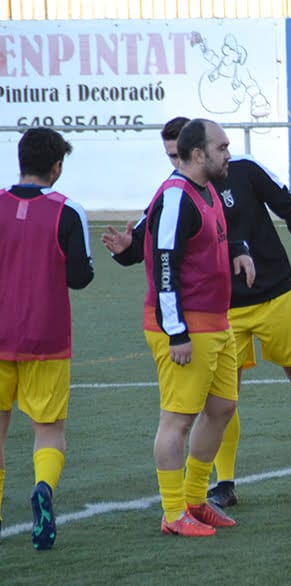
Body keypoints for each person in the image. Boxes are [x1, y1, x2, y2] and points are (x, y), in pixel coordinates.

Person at [102, 117, 291, 509]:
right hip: (220, 312)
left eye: (178, 154)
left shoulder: (243, 171)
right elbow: (150, 243)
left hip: (274, 294)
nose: (174, 163)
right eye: (169, 157)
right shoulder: (179, 191)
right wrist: (125, 249)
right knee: (226, 397)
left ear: (196, 150)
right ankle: (221, 483)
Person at [143, 118, 254, 537]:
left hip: (217, 322)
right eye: (222, 147)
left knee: (223, 408)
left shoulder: (206, 191)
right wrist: (176, 332)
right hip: (186, 327)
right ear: (197, 154)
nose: (228, 153)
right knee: (177, 420)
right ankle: (173, 513)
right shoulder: (175, 197)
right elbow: (164, 262)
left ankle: (194, 499)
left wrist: (238, 252)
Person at [0, 128, 93, 550]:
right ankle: (42, 488)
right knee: (48, 429)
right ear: (57, 166)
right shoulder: (68, 211)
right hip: (47, 337)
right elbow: (80, 277)